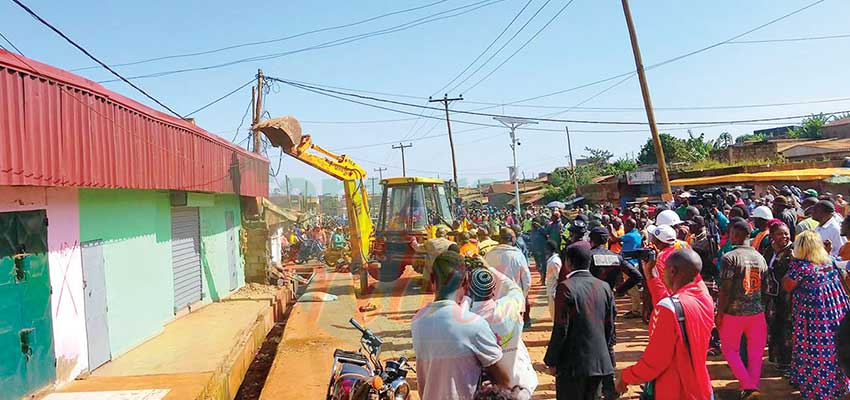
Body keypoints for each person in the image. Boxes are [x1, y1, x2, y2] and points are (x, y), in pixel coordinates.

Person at [412, 246, 512, 400]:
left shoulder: (418, 320)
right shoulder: (474, 325)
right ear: (466, 282)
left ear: (432, 280)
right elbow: (504, 380)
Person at [615, 249, 715, 400]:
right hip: (701, 387)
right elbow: (673, 304)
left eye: (665, 269)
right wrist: (651, 275)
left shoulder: (669, 308)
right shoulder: (705, 299)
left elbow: (655, 361)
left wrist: (626, 376)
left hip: (675, 389)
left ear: (673, 271)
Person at [783, 230, 850, 399]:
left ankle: (819, 392)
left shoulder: (800, 267)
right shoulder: (830, 262)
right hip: (835, 316)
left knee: (815, 354)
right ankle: (838, 389)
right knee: (834, 351)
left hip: (813, 319)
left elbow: (787, 286)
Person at [544, 245, 616, 400]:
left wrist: (551, 359)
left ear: (568, 262)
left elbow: (561, 327)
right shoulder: (604, 287)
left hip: (572, 365)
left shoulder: (565, 287)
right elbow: (610, 326)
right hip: (599, 362)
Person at [464, 265, 538, 398]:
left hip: (488, 391)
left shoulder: (467, 318)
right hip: (519, 384)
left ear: (468, 290)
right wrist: (489, 267)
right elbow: (513, 288)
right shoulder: (510, 305)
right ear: (493, 290)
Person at [716, 220, 768, 399]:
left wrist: (720, 312)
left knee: (730, 350)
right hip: (757, 312)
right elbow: (766, 287)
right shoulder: (760, 258)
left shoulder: (729, 257)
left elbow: (725, 289)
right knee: (755, 353)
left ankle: (748, 386)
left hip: (734, 313)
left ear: (735, 235)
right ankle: (752, 387)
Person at [761, 220, 793, 371]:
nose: (785, 237)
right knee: (773, 327)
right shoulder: (769, 250)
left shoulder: (792, 252)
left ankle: (787, 363)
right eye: (780, 234)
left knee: (786, 329)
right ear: (772, 236)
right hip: (771, 297)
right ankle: (777, 360)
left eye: (786, 233)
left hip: (787, 297)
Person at [485, 228, 532, 328]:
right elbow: (527, 280)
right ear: (512, 239)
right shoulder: (517, 255)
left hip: (495, 302)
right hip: (514, 301)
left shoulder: (488, 255)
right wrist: (522, 296)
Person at [588, 226, 642, 298]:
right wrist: (619, 291)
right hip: (609, 299)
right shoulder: (617, 257)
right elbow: (637, 276)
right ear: (607, 240)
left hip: (590, 298)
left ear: (591, 240)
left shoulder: (587, 256)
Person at [411, 226, 455, 292]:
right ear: (446, 235)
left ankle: (424, 288)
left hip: (431, 269)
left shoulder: (430, 242)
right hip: (445, 269)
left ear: (436, 234)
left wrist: (413, 240)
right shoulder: (452, 244)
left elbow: (417, 248)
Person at [544, 239, 562, 320]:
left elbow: (559, 277)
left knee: (554, 314)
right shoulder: (552, 260)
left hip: (553, 291)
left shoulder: (554, 262)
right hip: (550, 289)